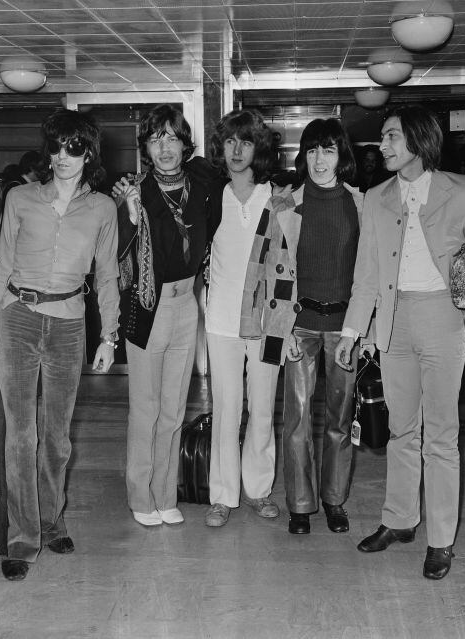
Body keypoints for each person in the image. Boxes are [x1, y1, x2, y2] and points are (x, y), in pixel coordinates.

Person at [335, 105, 465, 579]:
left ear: (417, 141)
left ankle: (441, 540)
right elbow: (366, 276)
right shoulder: (377, 196)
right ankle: (399, 520)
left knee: (441, 437)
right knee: (402, 430)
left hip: (444, 321)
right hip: (393, 323)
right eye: (382, 139)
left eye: (389, 137)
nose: (381, 146)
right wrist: (353, 332)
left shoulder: (462, 191)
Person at [0, 108, 120, 581]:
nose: (63, 156)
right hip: (19, 318)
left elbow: (107, 275)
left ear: (89, 153)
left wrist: (109, 335)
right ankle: (22, 536)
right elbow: (2, 268)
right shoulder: (20, 198)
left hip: (69, 326)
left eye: (74, 147)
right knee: (21, 435)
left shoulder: (102, 208)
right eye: (57, 147)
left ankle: (52, 517)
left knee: (57, 439)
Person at [240, 118, 365, 535]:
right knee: (295, 419)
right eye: (312, 150)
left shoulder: (360, 205)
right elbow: (258, 266)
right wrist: (275, 328)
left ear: (340, 156)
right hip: (299, 326)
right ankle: (299, 504)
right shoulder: (283, 205)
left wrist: (364, 329)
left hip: (345, 328)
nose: (319, 160)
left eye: (328, 150)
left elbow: (372, 272)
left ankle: (333, 500)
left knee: (339, 418)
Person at [113, 104, 214, 528]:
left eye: (173, 137)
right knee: (146, 408)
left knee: (174, 408)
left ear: (185, 143)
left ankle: (164, 492)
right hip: (148, 304)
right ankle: (141, 495)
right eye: (156, 139)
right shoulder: (135, 191)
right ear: (146, 148)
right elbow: (116, 256)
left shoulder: (202, 184)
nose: (165, 147)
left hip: (185, 303)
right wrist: (130, 215)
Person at [203, 109, 280, 528]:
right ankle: (222, 495)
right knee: (226, 407)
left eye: (245, 142)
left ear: (258, 148)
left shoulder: (278, 196)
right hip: (221, 321)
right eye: (230, 141)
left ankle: (259, 489)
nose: (236, 150)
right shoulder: (211, 195)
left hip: (267, 320)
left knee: (263, 407)